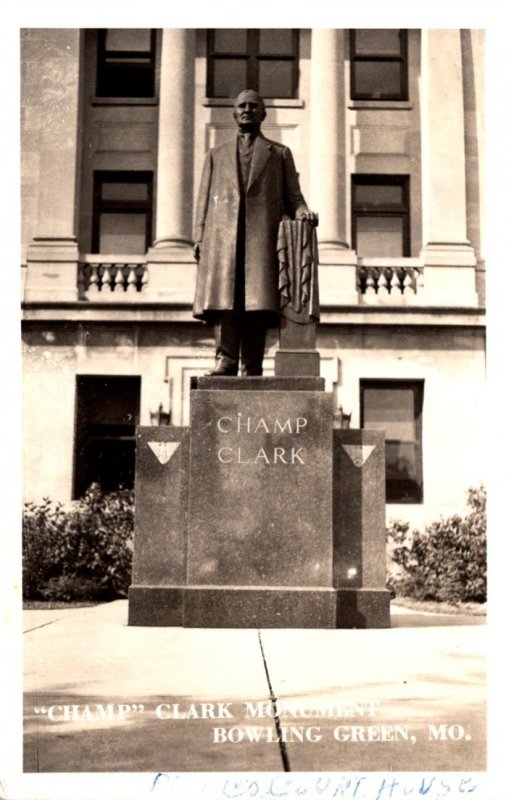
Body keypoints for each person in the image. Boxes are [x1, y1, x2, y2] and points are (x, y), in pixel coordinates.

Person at [193, 89, 317, 376]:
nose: (247, 109)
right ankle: (225, 361)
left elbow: (293, 197)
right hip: (223, 240)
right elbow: (203, 199)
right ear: (234, 114)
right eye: (242, 106)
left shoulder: (280, 154)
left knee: (257, 303)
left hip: (261, 241)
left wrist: (303, 213)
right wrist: (199, 236)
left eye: (253, 106)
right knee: (225, 302)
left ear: (263, 114)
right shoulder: (216, 155)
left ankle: (252, 365)